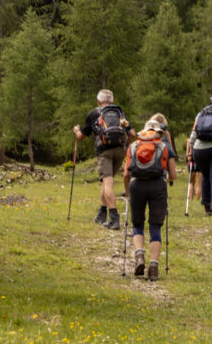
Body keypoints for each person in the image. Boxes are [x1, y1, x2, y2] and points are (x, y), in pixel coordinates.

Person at [123, 118, 177, 281]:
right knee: (155, 227)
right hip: (157, 186)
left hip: (136, 185)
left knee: (137, 224)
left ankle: (139, 256)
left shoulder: (133, 146)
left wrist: (127, 193)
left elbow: (126, 174)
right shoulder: (165, 146)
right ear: (159, 132)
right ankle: (153, 266)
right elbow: (173, 175)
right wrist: (164, 176)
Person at [72, 89, 130, 230]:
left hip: (104, 151)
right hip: (120, 150)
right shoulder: (120, 113)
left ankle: (114, 218)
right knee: (106, 181)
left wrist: (76, 130)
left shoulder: (94, 113)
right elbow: (131, 132)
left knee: (107, 182)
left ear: (99, 101)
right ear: (112, 101)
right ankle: (102, 213)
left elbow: (81, 136)